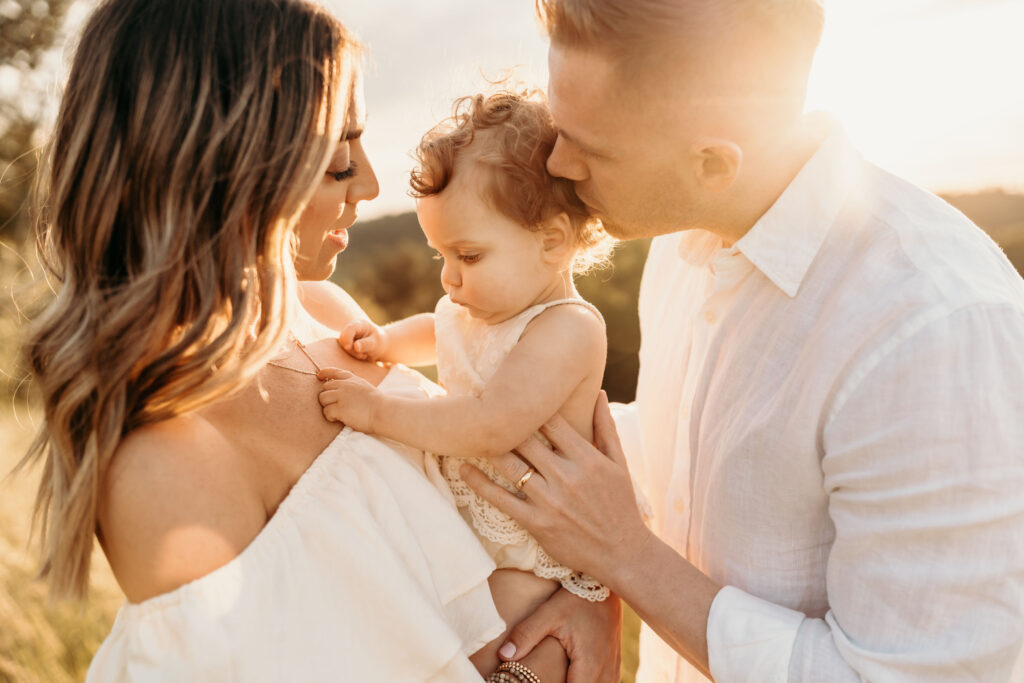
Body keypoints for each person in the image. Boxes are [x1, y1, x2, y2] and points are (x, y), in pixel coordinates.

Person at [19, 0, 620, 680]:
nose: (369, 183)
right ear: (228, 174)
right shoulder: (165, 460)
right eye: (338, 162)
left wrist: (593, 595)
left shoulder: (332, 315)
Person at [458, 0, 1024, 681]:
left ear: (714, 164)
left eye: (591, 146)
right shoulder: (681, 247)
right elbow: (682, 467)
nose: (556, 161)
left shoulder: (930, 331)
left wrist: (627, 559)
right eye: (560, 126)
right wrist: (592, 585)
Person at [316, 89, 617, 674]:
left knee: (492, 651)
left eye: (469, 256)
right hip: (477, 525)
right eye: (440, 258)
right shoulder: (478, 305)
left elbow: (490, 424)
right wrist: (383, 340)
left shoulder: (568, 329)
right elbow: (440, 328)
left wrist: (375, 411)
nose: (451, 279)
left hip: (531, 549)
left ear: (552, 242)